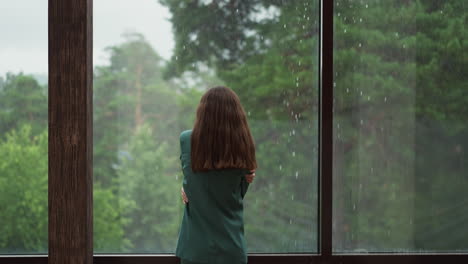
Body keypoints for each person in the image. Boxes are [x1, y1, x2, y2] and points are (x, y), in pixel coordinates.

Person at [175, 86, 257, 264]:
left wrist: (186, 187)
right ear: (236, 115)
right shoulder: (243, 145)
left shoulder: (187, 140)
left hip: (195, 249)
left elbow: (191, 183)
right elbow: (237, 193)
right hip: (232, 248)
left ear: (203, 112)